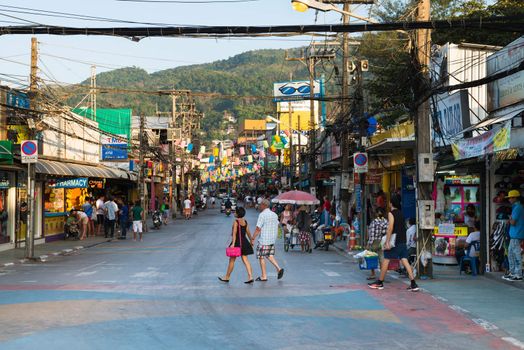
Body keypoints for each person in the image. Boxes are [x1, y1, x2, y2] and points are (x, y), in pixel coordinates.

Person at [368, 194, 419, 292]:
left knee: (386, 260)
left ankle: (380, 282)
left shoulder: (391, 213)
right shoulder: (401, 213)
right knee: (404, 260)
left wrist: (387, 241)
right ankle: (413, 283)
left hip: (394, 242)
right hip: (402, 241)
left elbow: (390, 227)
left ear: (391, 203)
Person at [218, 207, 254, 283]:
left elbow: (234, 234)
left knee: (232, 260)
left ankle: (227, 277)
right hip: (244, 242)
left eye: (235, 212)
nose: (234, 213)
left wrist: (233, 244)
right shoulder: (245, 222)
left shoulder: (236, 222)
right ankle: (250, 277)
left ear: (238, 213)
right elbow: (248, 232)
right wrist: (251, 240)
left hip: (237, 242)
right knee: (245, 260)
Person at [251, 199, 284, 281]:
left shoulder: (262, 215)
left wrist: (253, 238)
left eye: (260, 204)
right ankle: (278, 268)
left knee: (261, 257)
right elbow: (277, 225)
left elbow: (258, 228)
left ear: (264, 205)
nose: (259, 206)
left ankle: (264, 276)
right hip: (272, 239)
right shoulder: (274, 215)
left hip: (264, 239)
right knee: (269, 255)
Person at [504, 190, 524, 281]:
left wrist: (510, 219)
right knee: (511, 254)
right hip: (515, 235)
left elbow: (513, 222)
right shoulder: (517, 207)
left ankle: (518, 274)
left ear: (515, 198)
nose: (509, 200)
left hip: (517, 235)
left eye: (510, 198)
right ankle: (513, 272)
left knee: (516, 254)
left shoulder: (517, 208)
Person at [366, 207, 388, 280]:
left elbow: (372, 234)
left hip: (374, 241)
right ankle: (382, 276)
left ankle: (373, 274)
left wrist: (369, 244)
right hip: (382, 241)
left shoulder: (374, 222)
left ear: (376, 214)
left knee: (372, 257)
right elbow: (386, 233)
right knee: (381, 259)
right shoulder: (386, 222)